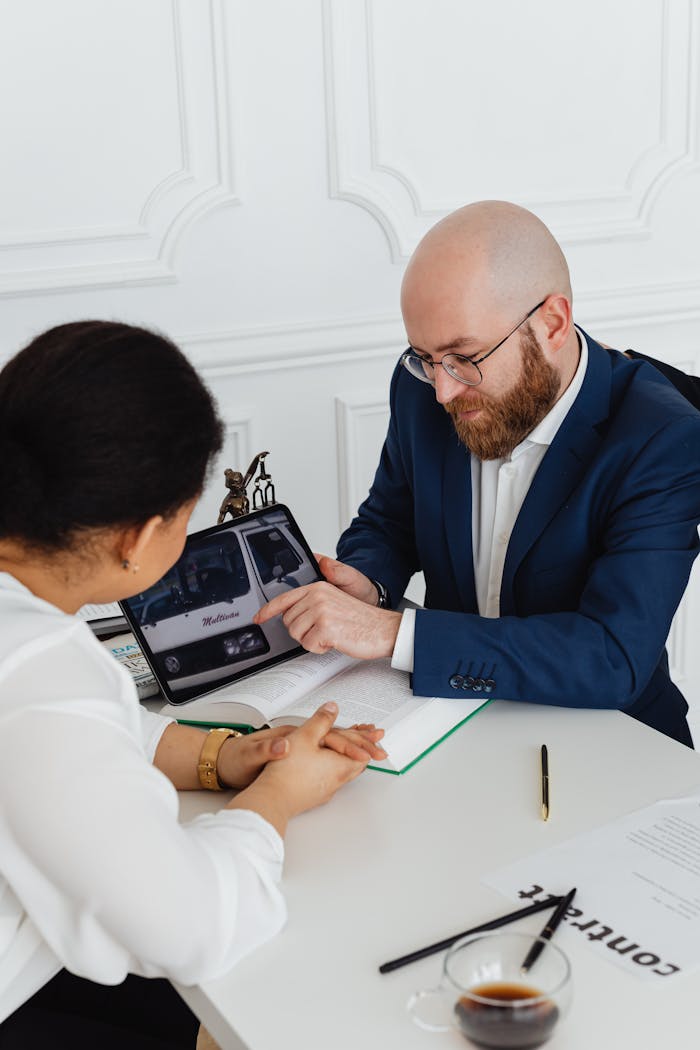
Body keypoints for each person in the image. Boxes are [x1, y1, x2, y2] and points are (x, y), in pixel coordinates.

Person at [0, 321, 386, 1048]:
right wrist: (278, 796)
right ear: (140, 538)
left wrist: (225, 756)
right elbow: (192, 927)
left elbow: (62, 746)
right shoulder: (38, 663)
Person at [255, 200, 700, 747]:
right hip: (455, 724)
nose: (443, 391)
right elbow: (390, 519)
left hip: (615, 743)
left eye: (464, 357)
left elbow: (611, 655)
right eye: (425, 357)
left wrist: (394, 632)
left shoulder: (662, 436)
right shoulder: (422, 386)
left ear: (552, 323)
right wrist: (367, 584)